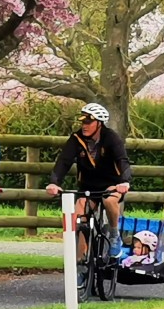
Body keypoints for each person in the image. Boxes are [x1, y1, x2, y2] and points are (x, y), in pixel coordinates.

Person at [45, 102, 132, 259]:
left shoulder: (111, 138)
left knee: (109, 201)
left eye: (88, 122)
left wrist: (124, 182)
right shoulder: (76, 139)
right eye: (82, 122)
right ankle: (81, 263)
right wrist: (54, 182)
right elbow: (63, 161)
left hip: (111, 186)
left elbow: (122, 160)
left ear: (99, 123)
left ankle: (114, 235)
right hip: (88, 188)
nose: (84, 126)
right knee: (79, 218)